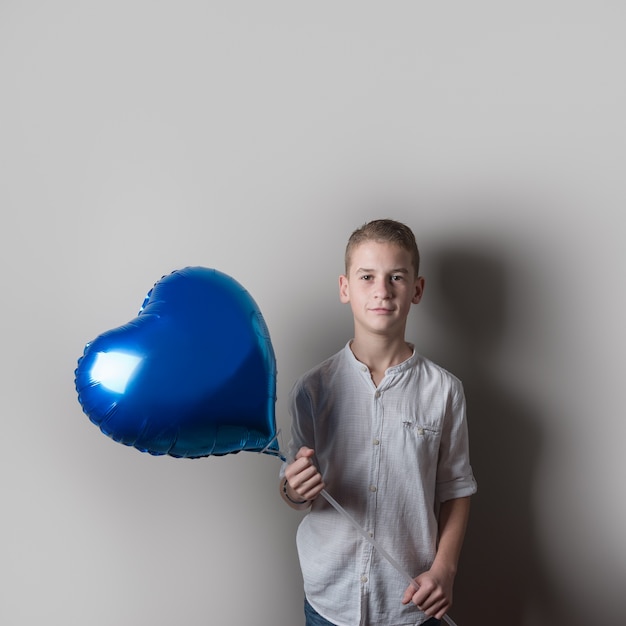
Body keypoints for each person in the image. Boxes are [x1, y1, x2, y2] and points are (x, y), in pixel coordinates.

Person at [280, 219, 477, 626]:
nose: (382, 291)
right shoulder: (311, 390)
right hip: (328, 600)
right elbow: (292, 490)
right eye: (367, 276)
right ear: (345, 287)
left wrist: (445, 570)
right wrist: (293, 488)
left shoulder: (445, 391)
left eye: (396, 277)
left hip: (408, 604)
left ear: (416, 289)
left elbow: (456, 488)